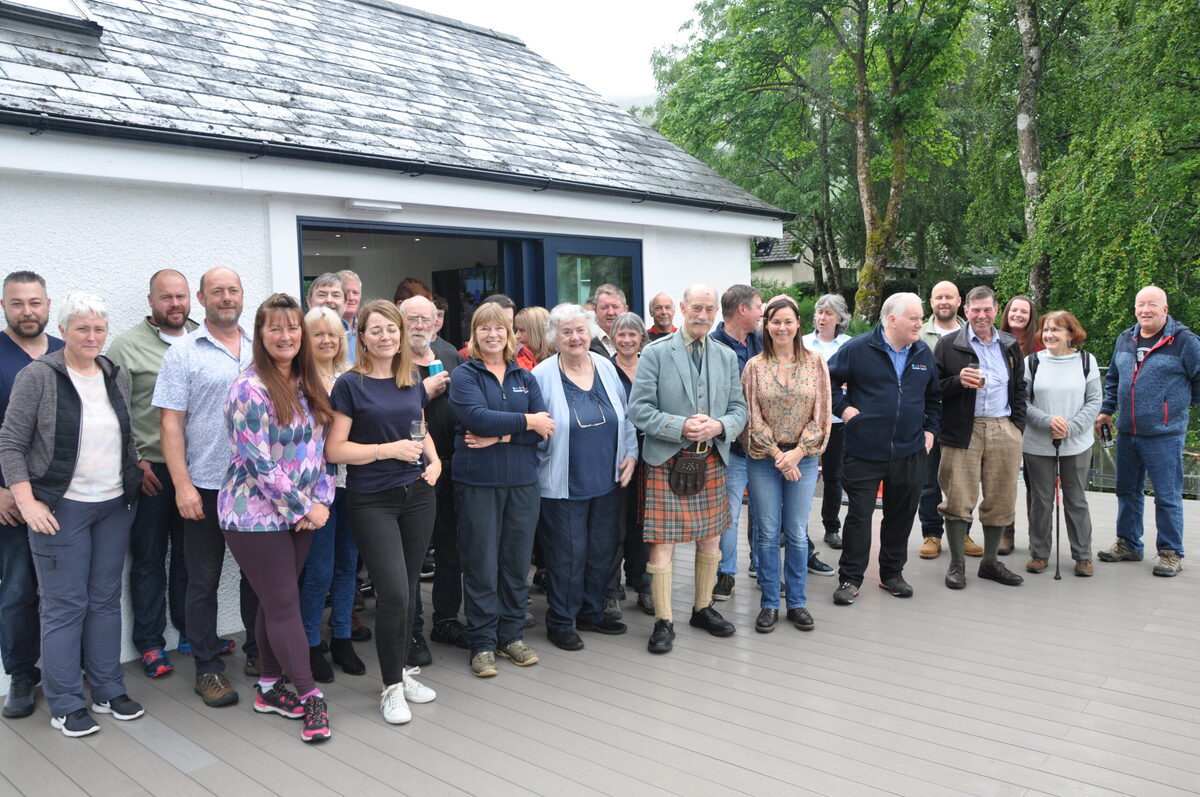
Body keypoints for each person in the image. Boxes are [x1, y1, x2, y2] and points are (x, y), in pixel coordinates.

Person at [0, 292, 143, 738]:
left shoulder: (111, 374)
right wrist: (27, 503)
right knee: (64, 607)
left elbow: (125, 435)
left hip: (113, 506)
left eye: (99, 328)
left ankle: (106, 688)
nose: (92, 336)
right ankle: (64, 703)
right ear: (63, 332)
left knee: (104, 600)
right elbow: (11, 444)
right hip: (60, 510)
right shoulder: (38, 376)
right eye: (82, 328)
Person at [219, 294, 335, 742]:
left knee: (274, 602)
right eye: (275, 329)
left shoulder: (309, 382)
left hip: (301, 514)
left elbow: (321, 453)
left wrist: (317, 502)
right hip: (253, 516)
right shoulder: (248, 389)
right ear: (260, 336)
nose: (285, 336)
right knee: (286, 604)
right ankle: (309, 697)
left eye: (292, 327)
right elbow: (258, 464)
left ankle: (269, 687)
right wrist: (307, 506)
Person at [325, 300, 440, 723]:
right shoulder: (349, 385)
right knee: (392, 592)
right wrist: (384, 451)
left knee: (409, 590)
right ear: (363, 337)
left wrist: (435, 459)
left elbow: (418, 423)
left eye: (392, 329)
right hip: (372, 499)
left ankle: (403, 672)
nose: (386, 336)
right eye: (376, 330)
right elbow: (334, 449)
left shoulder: (411, 378)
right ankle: (391, 687)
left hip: (418, 495)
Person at [153, 266, 258, 708]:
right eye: (217, 291)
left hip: (258, 487)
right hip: (207, 485)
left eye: (232, 290)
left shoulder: (261, 348)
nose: (226, 297)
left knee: (259, 578)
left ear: (242, 295)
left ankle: (260, 654)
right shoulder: (183, 353)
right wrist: (182, 485)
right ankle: (207, 668)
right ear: (201, 298)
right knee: (203, 580)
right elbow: (170, 423)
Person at [628, 284, 748, 654]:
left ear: (716, 313)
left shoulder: (727, 356)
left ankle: (702, 608)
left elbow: (739, 409)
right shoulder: (655, 353)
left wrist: (720, 426)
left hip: (710, 458)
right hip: (667, 459)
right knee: (662, 544)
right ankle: (664, 619)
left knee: (711, 539)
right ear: (682, 308)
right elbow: (639, 409)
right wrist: (679, 425)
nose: (703, 314)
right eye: (696, 307)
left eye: (709, 308)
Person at [449, 302, 553, 676]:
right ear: (474, 335)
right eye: (484, 329)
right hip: (478, 485)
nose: (492, 335)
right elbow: (476, 418)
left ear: (509, 334)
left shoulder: (524, 376)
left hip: (524, 484)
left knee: (516, 563)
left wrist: (502, 436)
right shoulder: (464, 376)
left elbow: (546, 431)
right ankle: (481, 643)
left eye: (499, 329)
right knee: (481, 564)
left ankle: (511, 637)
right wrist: (527, 422)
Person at [106, 270, 197, 680]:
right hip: (153, 471)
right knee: (147, 559)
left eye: (180, 296)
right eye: (166, 298)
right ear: (150, 302)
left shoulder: (202, 338)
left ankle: (190, 631)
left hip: (199, 471)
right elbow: (114, 412)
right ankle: (150, 643)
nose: (174, 304)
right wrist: (134, 461)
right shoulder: (126, 347)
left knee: (191, 557)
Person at [533, 304, 637, 651]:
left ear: (589, 332)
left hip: (607, 478)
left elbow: (625, 418)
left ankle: (592, 612)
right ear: (555, 337)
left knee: (601, 550)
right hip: (563, 482)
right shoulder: (542, 375)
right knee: (567, 555)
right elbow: (533, 427)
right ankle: (561, 620)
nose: (575, 338)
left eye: (580, 330)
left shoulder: (605, 367)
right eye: (567, 332)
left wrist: (631, 455)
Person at [827, 292, 940, 605]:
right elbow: (826, 381)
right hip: (864, 450)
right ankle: (850, 578)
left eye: (921, 317)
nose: (920, 323)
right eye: (914, 318)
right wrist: (846, 410)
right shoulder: (858, 348)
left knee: (901, 516)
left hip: (910, 451)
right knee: (860, 517)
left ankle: (892, 574)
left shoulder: (922, 353)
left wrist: (931, 430)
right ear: (892, 319)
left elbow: (934, 397)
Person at [1095, 286, 1200, 577]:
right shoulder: (1125, 339)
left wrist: (1176, 406)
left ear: (1165, 310)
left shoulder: (1185, 342)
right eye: (1141, 304)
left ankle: (1170, 552)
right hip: (1128, 432)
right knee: (1127, 491)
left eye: (1152, 305)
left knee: (1167, 495)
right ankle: (1128, 543)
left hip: (1165, 434)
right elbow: (1114, 378)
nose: (1146, 310)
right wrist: (1106, 409)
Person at [743, 298, 830, 632]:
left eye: (788, 321)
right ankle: (768, 603)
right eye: (775, 322)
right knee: (766, 533)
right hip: (765, 459)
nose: (782, 328)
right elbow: (751, 416)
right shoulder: (754, 366)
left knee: (795, 532)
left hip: (803, 460)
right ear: (766, 325)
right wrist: (779, 454)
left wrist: (797, 452)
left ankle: (796, 602)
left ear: (798, 324)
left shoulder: (815, 363)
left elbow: (821, 413)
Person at [935, 285, 1027, 590]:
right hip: (963, 429)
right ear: (966, 312)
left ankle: (990, 562)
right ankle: (957, 564)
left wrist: (1016, 428)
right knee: (959, 497)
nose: (982, 315)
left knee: (1001, 497)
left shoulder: (1010, 345)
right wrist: (958, 382)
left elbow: (1019, 389)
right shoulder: (948, 345)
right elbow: (932, 389)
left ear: (996, 310)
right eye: (976, 310)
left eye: (987, 309)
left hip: (1003, 427)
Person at [0, 271, 62, 720]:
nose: (27, 311)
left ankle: (65, 666)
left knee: (65, 589)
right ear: (4, 306)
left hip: (65, 499)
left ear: (47, 305)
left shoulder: (67, 352)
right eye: (18, 303)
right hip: (9, 501)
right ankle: (22, 674)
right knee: (19, 589)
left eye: (35, 302)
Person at [399, 295, 467, 658]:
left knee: (450, 549)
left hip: (452, 469)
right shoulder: (392, 361)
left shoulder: (451, 357)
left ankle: (445, 620)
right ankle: (412, 630)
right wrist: (423, 392)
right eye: (412, 319)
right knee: (412, 555)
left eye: (427, 319)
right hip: (410, 471)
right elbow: (388, 414)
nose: (421, 326)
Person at [299, 305, 364, 682]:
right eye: (318, 334)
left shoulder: (352, 376)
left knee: (347, 566)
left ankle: (341, 636)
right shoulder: (298, 380)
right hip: (315, 490)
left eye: (333, 334)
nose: (327, 340)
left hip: (352, 483)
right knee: (318, 570)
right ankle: (310, 643)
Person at [1022, 311, 1101, 576]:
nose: (1049, 335)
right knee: (1041, 501)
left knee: (1076, 499)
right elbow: (1022, 401)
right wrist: (1047, 422)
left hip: (1077, 443)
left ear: (1071, 334)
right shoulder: (1031, 362)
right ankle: (1039, 553)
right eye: (1046, 329)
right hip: (1037, 443)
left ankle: (1083, 556)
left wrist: (1071, 427)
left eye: (1056, 330)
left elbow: (1094, 401)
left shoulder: (1086, 361)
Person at [916, 281, 980, 560]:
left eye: (949, 297)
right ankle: (931, 533)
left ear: (959, 302)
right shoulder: (918, 335)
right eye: (938, 297)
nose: (944, 301)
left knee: (962, 481)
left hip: (965, 419)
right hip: (927, 418)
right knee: (929, 480)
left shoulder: (975, 334)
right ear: (931, 302)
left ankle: (962, 531)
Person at [708, 284, 763, 599]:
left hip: (763, 447)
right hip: (730, 449)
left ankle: (764, 569)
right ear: (742, 309)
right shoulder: (712, 347)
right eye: (758, 306)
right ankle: (725, 574)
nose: (761, 312)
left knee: (767, 514)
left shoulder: (761, 341)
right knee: (728, 515)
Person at [607, 312, 653, 616]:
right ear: (613, 338)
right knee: (614, 524)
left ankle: (643, 584)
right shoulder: (604, 369)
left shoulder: (650, 367)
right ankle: (610, 589)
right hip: (616, 454)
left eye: (632, 334)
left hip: (650, 455)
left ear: (641, 338)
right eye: (621, 334)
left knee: (644, 523)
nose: (626, 340)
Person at [802, 293, 852, 551]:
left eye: (828, 313)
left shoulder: (849, 345)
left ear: (839, 318)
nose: (822, 317)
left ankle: (832, 528)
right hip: (807, 420)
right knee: (804, 477)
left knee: (834, 477)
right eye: (820, 312)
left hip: (836, 420)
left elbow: (858, 379)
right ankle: (798, 529)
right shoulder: (803, 343)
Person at [997, 293, 1042, 554]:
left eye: (1024, 312)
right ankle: (1006, 532)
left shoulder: (1039, 343)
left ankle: (1038, 537)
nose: (1018, 315)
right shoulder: (995, 340)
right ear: (1007, 312)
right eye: (1014, 310)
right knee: (1005, 480)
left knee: (1035, 482)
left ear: (1030, 316)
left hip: (1034, 419)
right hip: (1004, 418)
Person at [307, 272, 353, 364]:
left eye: (335, 295)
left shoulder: (361, 344)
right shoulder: (298, 341)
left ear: (345, 303)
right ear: (309, 302)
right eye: (322, 295)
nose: (329, 300)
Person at [588, 284, 628, 357]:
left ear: (625, 309)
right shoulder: (586, 342)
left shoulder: (637, 341)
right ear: (595, 310)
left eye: (615, 307)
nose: (610, 312)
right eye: (604, 307)